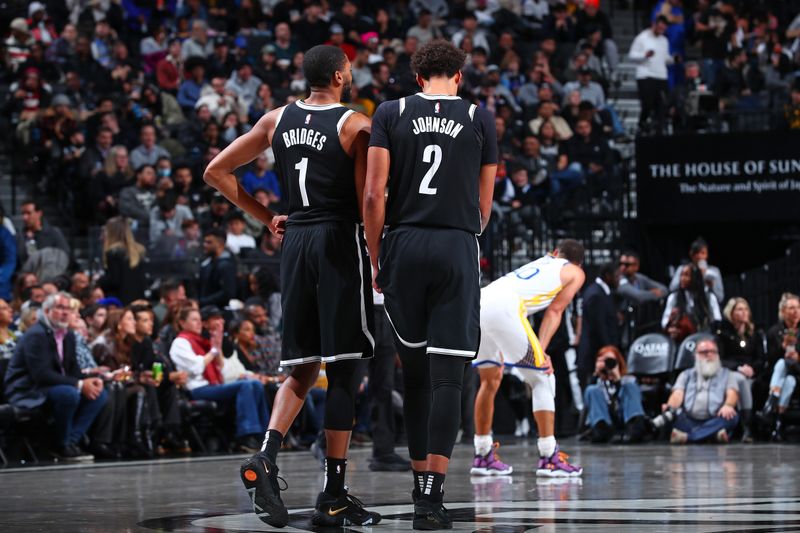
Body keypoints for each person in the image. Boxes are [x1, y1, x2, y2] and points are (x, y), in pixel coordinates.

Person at [204, 45, 379, 528]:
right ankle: (335, 494)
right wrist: (379, 256)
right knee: (346, 369)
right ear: (342, 75)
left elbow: (215, 172)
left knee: (301, 366)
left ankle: (265, 455)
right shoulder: (354, 124)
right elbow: (368, 201)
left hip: (296, 241)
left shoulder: (276, 119)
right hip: (337, 241)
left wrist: (268, 219)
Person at [364, 39, 497, 529]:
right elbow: (484, 207)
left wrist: (379, 255)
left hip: (403, 243)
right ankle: (430, 498)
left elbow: (374, 194)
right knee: (448, 378)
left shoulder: (391, 111)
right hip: (455, 246)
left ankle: (417, 479)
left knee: (414, 375)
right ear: (458, 76)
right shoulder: (480, 117)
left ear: (418, 78)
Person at [471, 241, 585, 477]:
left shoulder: (543, 261)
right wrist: (541, 351)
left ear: (554, 253)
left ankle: (482, 455)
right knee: (543, 378)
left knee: (489, 381)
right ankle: (549, 456)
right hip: (505, 307)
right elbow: (555, 311)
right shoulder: (575, 271)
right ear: (578, 262)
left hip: (480, 301)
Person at [4, 292, 107, 460]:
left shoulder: (69, 335)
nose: (65, 312)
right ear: (46, 311)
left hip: (52, 386)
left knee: (99, 394)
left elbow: (72, 370)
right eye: (59, 308)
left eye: (68, 308)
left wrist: (90, 380)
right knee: (69, 394)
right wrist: (80, 384)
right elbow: (41, 375)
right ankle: (60, 444)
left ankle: (71, 442)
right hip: (28, 389)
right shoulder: (36, 334)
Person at [169, 307, 268, 451]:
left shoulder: (202, 342)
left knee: (255, 384)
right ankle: (246, 436)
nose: (199, 323)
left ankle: (264, 434)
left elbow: (221, 369)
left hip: (212, 386)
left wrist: (217, 346)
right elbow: (196, 367)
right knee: (245, 386)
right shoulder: (180, 343)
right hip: (197, 389)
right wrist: (213, 351)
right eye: (194, 320)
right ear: (183, 323)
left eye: (199, 320)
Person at [661, 336, 739, 444]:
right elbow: (677, 394)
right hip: (689, 419)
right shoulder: (686, 375)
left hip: (715, 418)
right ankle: (711, 435)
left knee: (731, 417)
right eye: (704, 352)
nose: (709, 355)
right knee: (672, 416)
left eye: (713, 352)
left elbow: (732, 393)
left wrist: (728, 405)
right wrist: (670, 407)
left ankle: (689, 437)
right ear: (695, 355)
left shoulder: (727, 374)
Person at [715, 297, 763, 443]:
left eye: (746, 309)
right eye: (740, 309)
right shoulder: (722, 333)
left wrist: (752, 369)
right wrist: (738, 368)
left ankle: (744, 427)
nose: (744, 312)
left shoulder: (755, 334)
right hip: (730, 373)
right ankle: (747, 427)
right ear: (731, 313)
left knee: (746, 382)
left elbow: (761, 358)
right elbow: (720, 359)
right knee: (741, 380)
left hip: (751, 373)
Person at [583, 345, 647, 443]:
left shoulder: (628, 380)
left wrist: (617, 379)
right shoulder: (596, 383)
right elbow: (589, 403)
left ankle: (635, 430)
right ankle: (602, 432)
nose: (606, 364)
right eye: (601, 360)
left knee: (630, 387)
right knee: (591, 390)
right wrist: (597, 375)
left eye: (609, 360)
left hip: (625, 417)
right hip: (606, 422)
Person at [759, 293, 800, 441]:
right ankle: (779, 423)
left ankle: (771, 403)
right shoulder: (774, 331)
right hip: (781, 375)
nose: (795, 311)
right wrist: (782, 348)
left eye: (797, 307)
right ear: (783, 311)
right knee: (788, 379)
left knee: (785, 366)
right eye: (791, 308)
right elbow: (769, 360)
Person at [577, 263, 620, 386]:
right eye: (617, 276)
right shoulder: (596, 294)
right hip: (596, 355)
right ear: (608, 276)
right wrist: (609, 351)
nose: (619, 280)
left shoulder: (601, 292)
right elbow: (599, 328)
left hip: (600, 353)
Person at [629, 16, 672, 134]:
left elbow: (665, 58)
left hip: (661, 75)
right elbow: (631, 56)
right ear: (654, 25)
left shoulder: (664, 40)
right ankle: (642, 124)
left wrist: (673, 59)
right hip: (645, 75)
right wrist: (644, 55)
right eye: (660, 27)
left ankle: (660, 129)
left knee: (662, 104)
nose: (661, 30)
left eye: (664, 28)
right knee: (647, 103)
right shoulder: (642, 38)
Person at [662, 264, 722, 340]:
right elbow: (665, 321)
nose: (682, 278)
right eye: (681, 275)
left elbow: (717, 319)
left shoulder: (709, 297)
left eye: (686, 275)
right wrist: (670, 328)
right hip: (682, 338)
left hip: (704, 337)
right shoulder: (674, 297)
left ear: (696, 277)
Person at [97, 217, 146, 305]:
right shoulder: (139, 251)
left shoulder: (113, 252)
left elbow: (114, 280)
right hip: (138, 300)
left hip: (120, 302)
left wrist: (99, 280)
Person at [668, 238, 724, 303]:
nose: (699, 256)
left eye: (703, 253)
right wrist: (684, 280)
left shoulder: (714, 271)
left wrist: (711, 286)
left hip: (707, 306)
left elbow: (720, 297)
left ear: (707, 255)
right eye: (696, 253)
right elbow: (672, 289)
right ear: (691, 253)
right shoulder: (683, 269)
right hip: (686, 305)